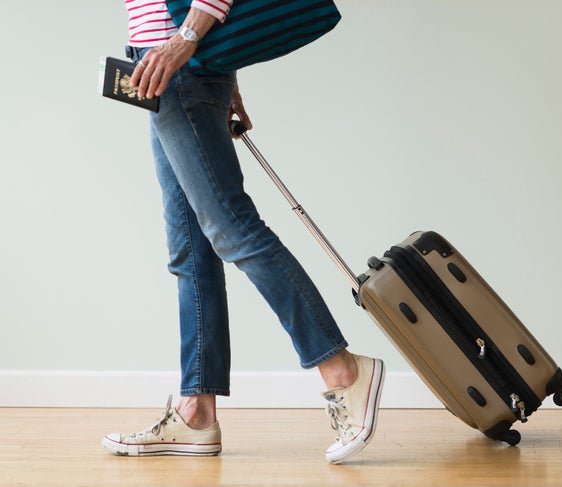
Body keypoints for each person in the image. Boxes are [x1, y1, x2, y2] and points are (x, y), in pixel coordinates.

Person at [101, 0, 384, 464]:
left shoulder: (182, 48)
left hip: (178, 61)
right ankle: (196, 413)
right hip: (167, 65)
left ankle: (343, 371)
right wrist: (215, 67)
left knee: (233, 230)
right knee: (189, 250)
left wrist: (185, 42)